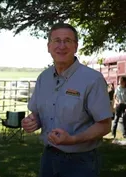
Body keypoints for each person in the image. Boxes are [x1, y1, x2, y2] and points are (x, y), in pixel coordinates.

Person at [22, 23, 112, 177]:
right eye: (57, 40)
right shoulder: (43, 78)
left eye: (67, 41)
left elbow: (105, 126)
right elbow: (37, 114)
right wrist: (33, 121)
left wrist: (73, 139)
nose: (61, 46)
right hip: (48, 158)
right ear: (49, 46)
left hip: (81, 163)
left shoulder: (92, 79)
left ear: (76, 46)